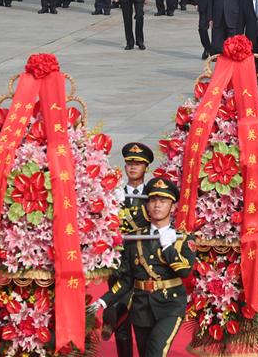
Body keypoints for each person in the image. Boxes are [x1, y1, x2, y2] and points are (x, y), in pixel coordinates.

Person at [90, 178, 194, 357]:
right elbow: (126, 279)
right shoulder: (134, 239)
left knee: (155, 349)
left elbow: (185, 271)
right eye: (153, 200)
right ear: (147, 205)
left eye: (163, 201)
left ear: (173, 207)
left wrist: (168, 247)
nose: (157, 205)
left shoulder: (182, 238)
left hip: (170, 305)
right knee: (146, 352)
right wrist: (103, 301)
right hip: (141, 307)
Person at [103, 142, 155, 357]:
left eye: (138, 164)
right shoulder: (115, 195)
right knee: (122, 328)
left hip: (144, 262)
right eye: (129, 164)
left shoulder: (154, 195)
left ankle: (111, 317)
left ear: (146, 168)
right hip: (120, 261)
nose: (133, 168)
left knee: (143, 321)